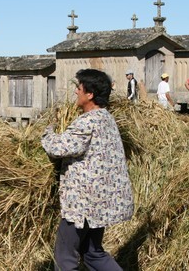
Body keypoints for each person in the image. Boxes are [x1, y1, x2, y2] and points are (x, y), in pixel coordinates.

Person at [41, 69, 134, 270]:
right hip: (99, 203)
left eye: (79, 88)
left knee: (64, 257)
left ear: (89, 94)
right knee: (92, 253)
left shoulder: (88, 121)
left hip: (82, 203)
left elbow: (59, 147)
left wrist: (47, 133)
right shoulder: (107, 118)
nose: (76, 93)